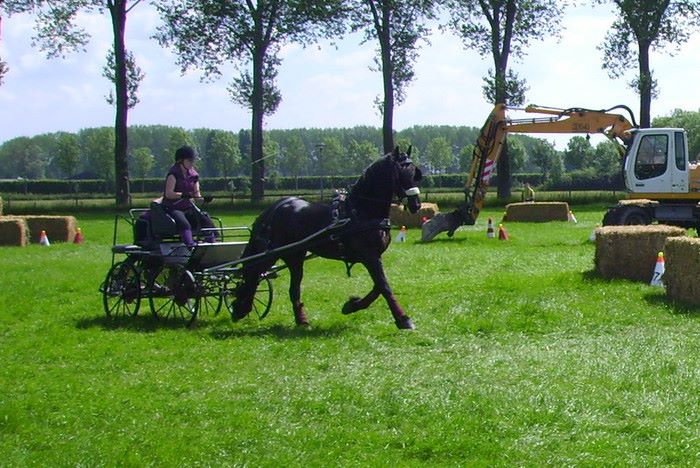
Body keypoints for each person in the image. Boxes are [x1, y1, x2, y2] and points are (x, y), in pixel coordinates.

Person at [162, 145, 216, 246]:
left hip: (188, 207)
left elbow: (197, 196)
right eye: (189, 160)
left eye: (193, 160)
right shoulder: (173, 174)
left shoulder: (194, 176)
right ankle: (190, 247)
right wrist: (182, 195)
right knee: (184, 224)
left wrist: (204, 199)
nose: (192, 163)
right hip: (174, 208)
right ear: (180, 161)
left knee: (205, 220)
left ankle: (213, 245)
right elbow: (168, 194)